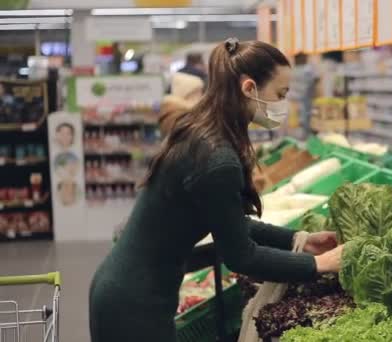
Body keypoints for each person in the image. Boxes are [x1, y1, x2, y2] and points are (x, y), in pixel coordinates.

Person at [89, 38, 344, 342]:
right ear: (249, 88)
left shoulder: (204, 129)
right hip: (135, 305)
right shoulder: (218, 157)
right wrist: (318, 264)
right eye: (280, 93)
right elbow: (241, 257)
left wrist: (298, 239)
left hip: (128, 288)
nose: (283, 104)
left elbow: (232, 222)